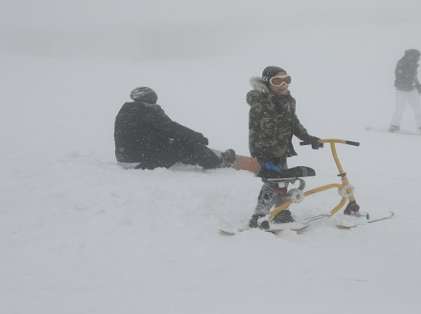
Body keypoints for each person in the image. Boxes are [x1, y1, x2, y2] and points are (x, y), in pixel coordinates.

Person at [246, 66, 341, 227]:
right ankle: (260, 214)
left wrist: (308, 138)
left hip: (281, 150)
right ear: (267, 83)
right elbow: (254, 130)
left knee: (283, 181)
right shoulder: (260, 103)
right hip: (264, 151)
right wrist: (258, 154)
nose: (283, 84)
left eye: (286, 80)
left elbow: (294, 123)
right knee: (272, 182)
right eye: (277, 81)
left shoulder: (288, 101)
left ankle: (281, 211)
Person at [114, 86, 235, 170]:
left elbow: (148, 133)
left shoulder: (126, 111)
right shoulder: (148, 111)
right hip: (142, 161)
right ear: (150, 100)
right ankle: (218, 162)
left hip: (125, 159)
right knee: (187, 144)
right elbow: (172, 128)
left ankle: (196, 156)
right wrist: (197, 137)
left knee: (173, 142)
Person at [389, 48, 421, 134]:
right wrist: (408, 82)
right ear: (412, 55)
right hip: (401, 90)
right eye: (417, 57)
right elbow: (399, 76)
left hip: (411, 89)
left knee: (417, 108)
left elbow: (414, 77)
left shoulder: (414, 64)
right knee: (399, 108)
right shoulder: (401, 63)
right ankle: (394, 125)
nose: (418, 58)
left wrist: (418, 85)